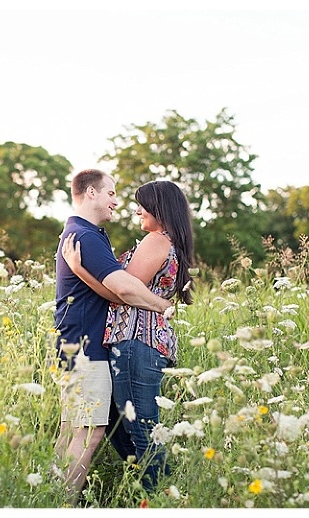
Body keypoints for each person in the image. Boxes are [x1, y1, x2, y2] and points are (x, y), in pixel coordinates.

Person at [61, 179, 195, 493]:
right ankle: (156, 491)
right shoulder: (167, 240)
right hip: (139, 342)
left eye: (142, 205)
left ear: (160, 209)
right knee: (121, 428)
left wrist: (80, 271)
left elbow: (121, 293)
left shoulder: (156, 240)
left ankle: (163, 497)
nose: (136, 211)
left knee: (142, 431)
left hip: (137, 341)